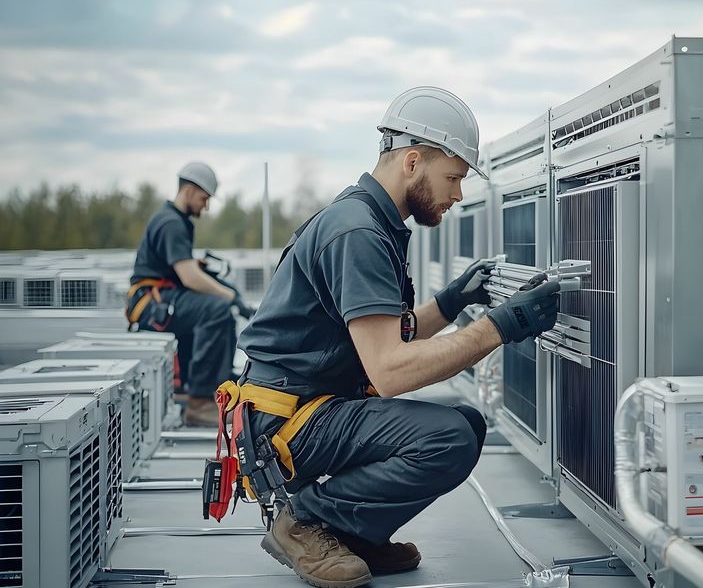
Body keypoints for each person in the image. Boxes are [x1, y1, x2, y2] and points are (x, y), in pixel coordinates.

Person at [234, 87, 560, 588]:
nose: (457, 194)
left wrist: (454, 301)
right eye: (452, 177)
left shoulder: (366, 219)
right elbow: (389, 370)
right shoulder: (359, 233)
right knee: (446, 438)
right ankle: (306, 523)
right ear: (412, 161)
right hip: (290, 421)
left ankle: (353, 533)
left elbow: (388, 334)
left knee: (467, 424)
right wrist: (499, 327)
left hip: (304, 408)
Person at [127, 162, 256, 427]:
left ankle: (204, 386)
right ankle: (199, 404)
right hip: (151, 304)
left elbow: (182, 269)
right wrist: (230, 297)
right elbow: (188, 277)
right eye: (203, 198)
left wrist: (223, 289)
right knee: (217, 309)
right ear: (188, 190)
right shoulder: (171, 223)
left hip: (161, 297)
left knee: (217, 306)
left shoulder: (175, 221)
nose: (205, 207)